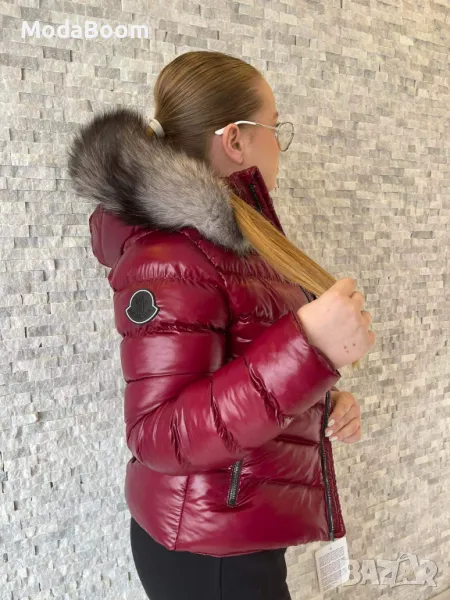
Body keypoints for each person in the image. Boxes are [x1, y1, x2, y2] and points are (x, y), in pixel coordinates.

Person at [68, 50, 375, 600]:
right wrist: (308, 348)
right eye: (275, 129)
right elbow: (158, 431)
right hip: (208, 553)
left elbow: (240, 366)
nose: (280, 146)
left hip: (234, 533)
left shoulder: (236, 243)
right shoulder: (169, 255)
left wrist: (321, 400)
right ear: (235, 139)